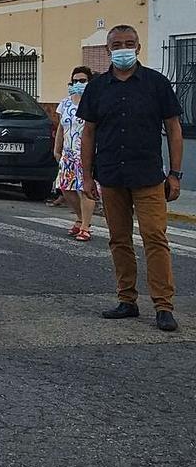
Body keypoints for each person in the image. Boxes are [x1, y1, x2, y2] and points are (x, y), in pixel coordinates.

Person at [79, 25, 184, 332]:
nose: (123, 48)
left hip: (148, 176)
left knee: (155, 237)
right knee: (118, 239)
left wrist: (175, 174)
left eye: (129, 43)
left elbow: (174, 129)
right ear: (108, 50)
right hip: (111, 175)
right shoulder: (97, 88)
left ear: (138, 48)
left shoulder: (156, 83)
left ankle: (163, 306)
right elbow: (89, 133)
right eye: (117, 44)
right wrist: (87, 177)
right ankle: (127, 300)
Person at [54, 66, 96, 242]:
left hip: (85, 152)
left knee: (84, 188)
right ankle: (79, 218)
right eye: (75, 81)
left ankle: (86, 226)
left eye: (82, 80)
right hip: (68, 153)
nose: (78, 84)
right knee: (66, 188)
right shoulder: (65, 103)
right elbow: (61, 127)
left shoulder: (94, 102)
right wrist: (57, 148)